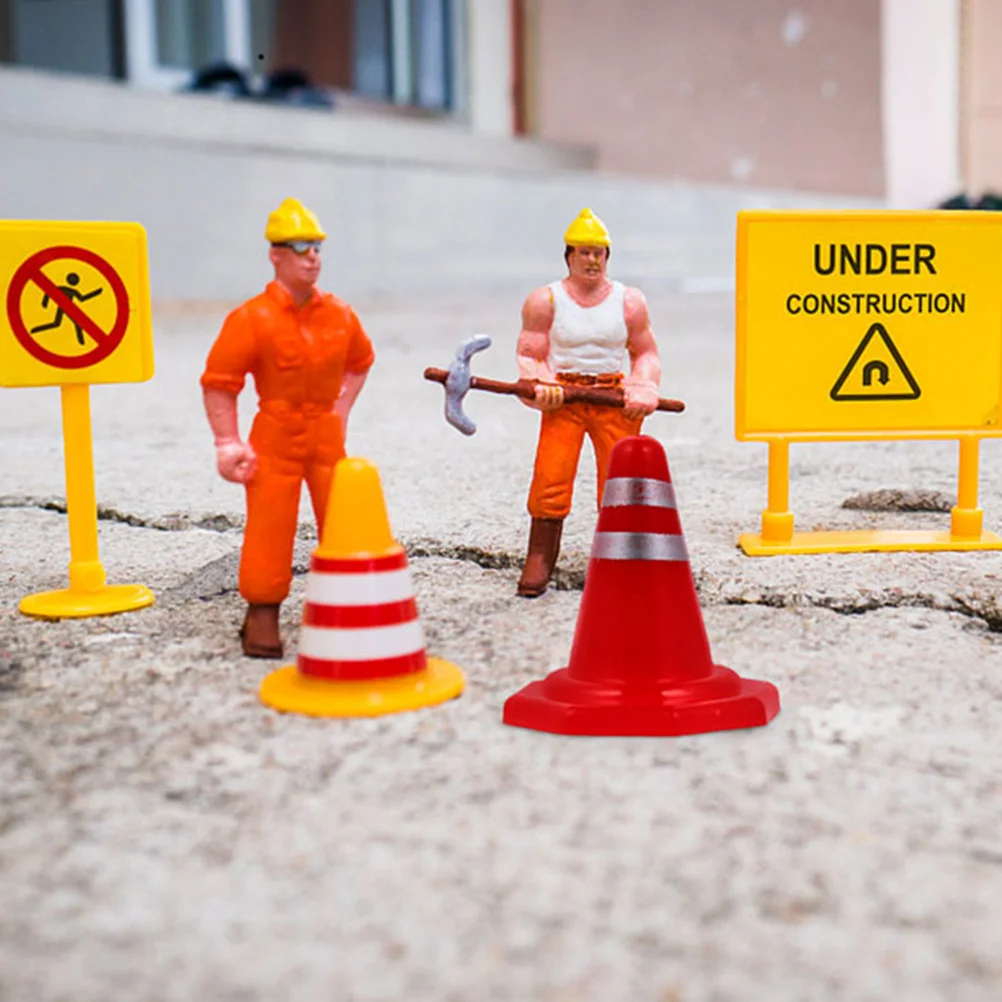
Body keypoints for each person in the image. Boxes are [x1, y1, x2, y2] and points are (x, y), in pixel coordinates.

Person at [200, 198, 374, 657]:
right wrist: (226, 441)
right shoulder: (251, 318)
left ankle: (347, 607)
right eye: (299, 247)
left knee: (341, 519)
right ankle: (262, 613)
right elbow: (220, 383)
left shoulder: (340, 314)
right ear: (276, 254)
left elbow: (360, 362)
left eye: (315, 246)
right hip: (274, 432)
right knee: (269, 524)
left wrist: (339, 411)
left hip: (324, 433)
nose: (311, 256)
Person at [515, 208, 662, 597]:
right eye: (583, 252)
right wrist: (542, 383)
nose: (592, 260)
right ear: (569, 256)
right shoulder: (545, 300)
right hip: (564, 399)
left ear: (608, 257)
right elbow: (530, 353)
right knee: (551, 476)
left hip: (614, 400)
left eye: (599, 253)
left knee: (620, 485)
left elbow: (646, 353)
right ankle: (540, 556)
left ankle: (622, 561)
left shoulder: (629, 302)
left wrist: (642, 385)